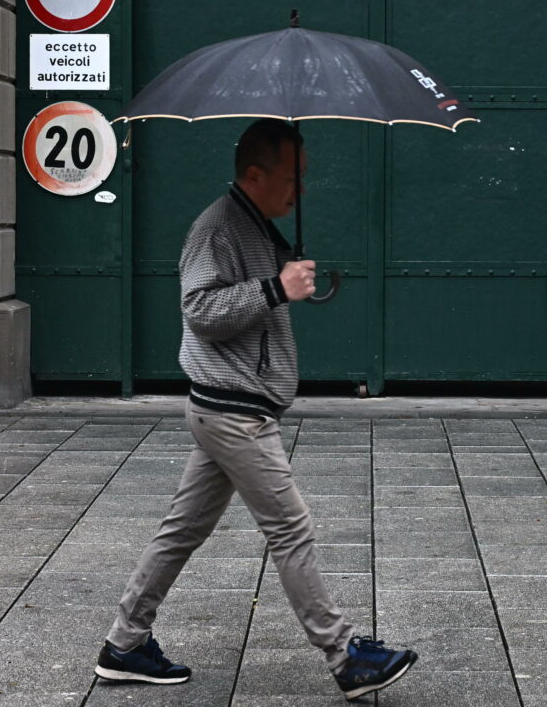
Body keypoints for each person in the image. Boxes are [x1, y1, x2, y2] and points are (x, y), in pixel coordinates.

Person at [94, 119, 417, 701]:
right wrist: (274, 288)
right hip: (232, 412)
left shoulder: (253, 224)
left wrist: (284, 272)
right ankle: (345, 656)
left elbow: (249, 294)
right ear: (255, 174)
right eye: (294, 178)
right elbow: (199, 310)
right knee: (291, 528)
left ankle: (124, 644)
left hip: (226, 406)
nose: (301, 191)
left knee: (181, 531)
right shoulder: (217, 228)